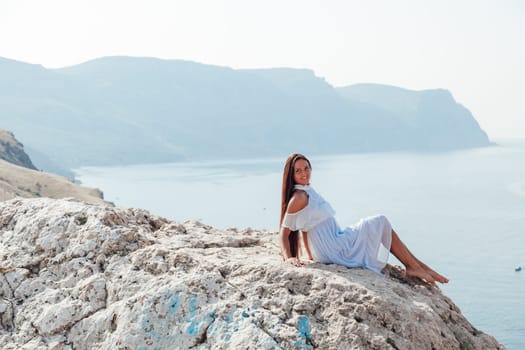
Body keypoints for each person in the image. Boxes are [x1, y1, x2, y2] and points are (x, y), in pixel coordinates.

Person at [279, 153, 449, 285]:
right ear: (291, 175)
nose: (304, 173)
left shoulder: (307, 191)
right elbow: (284, 233)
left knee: (378, 223)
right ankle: (414, 266)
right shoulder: (299, 197)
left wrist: (310, 254)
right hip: (332, 247)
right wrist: (289, 258)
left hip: (333, 241)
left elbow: (306, 226)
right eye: (298, 171)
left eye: (306, 168)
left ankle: (418, 267)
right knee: (379, 222)